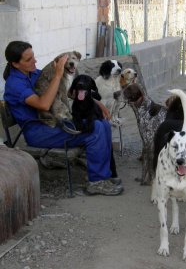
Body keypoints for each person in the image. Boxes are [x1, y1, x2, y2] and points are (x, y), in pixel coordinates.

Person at [3, 41, 123, 196]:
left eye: (33, 56)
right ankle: (97, 182)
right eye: (28, 60)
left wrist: (96, 102)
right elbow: (44, 104)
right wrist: (58, 73)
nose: (35, 61)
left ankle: (104, 174)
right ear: (15, 64)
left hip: (55, 124)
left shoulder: (34, 73)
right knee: (96, 129)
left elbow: (63, 93)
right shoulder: (15, 85)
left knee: (103, 124)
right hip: (39, 131)